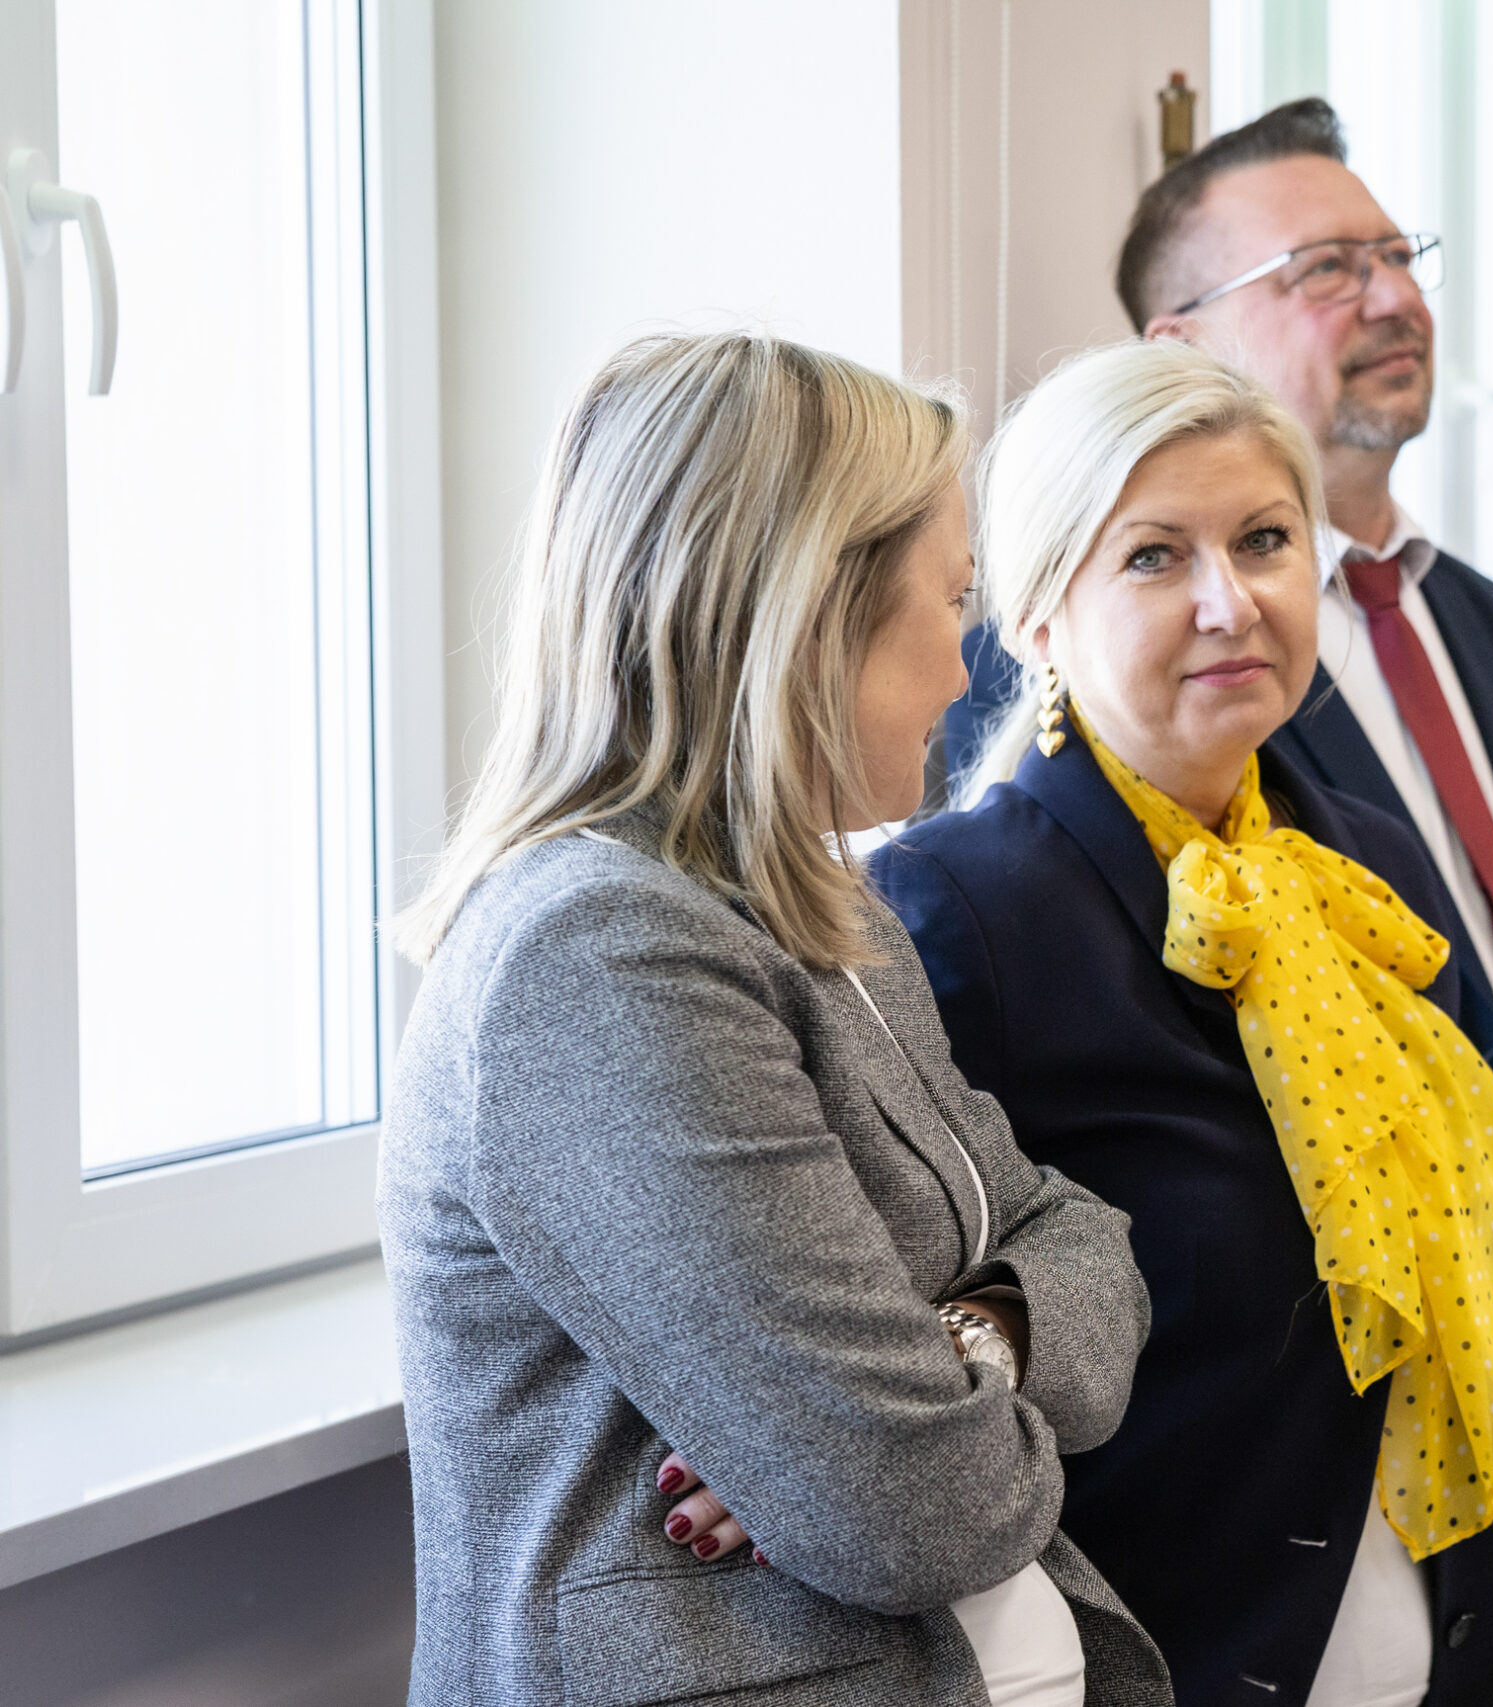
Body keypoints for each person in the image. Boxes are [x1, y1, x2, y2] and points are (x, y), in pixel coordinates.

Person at [380, 332, 1170, 1706]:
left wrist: (963, 1347)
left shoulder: (816, 911)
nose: (967, 664)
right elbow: (914, 1505)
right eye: (951, 600)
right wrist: (906, 1413)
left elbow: (1086, 1243)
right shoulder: (599, 953)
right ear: (809, 614)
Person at [878, 339, 1493, 1706]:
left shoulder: (1363, 858)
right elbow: (904, 1327)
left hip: (1446, 1638)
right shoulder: (958, 907)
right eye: (1153, 556)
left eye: (1264, 540)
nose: (1230, 601)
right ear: (1036, 619)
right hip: (1159, 1657)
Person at [1112, 96, 1493, 1584]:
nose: (1394, 298)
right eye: (1327, 269)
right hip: (1344, 1381)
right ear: (1181, 347)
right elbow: (1235, 1044)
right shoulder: (1175, 676)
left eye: (1400, 255)